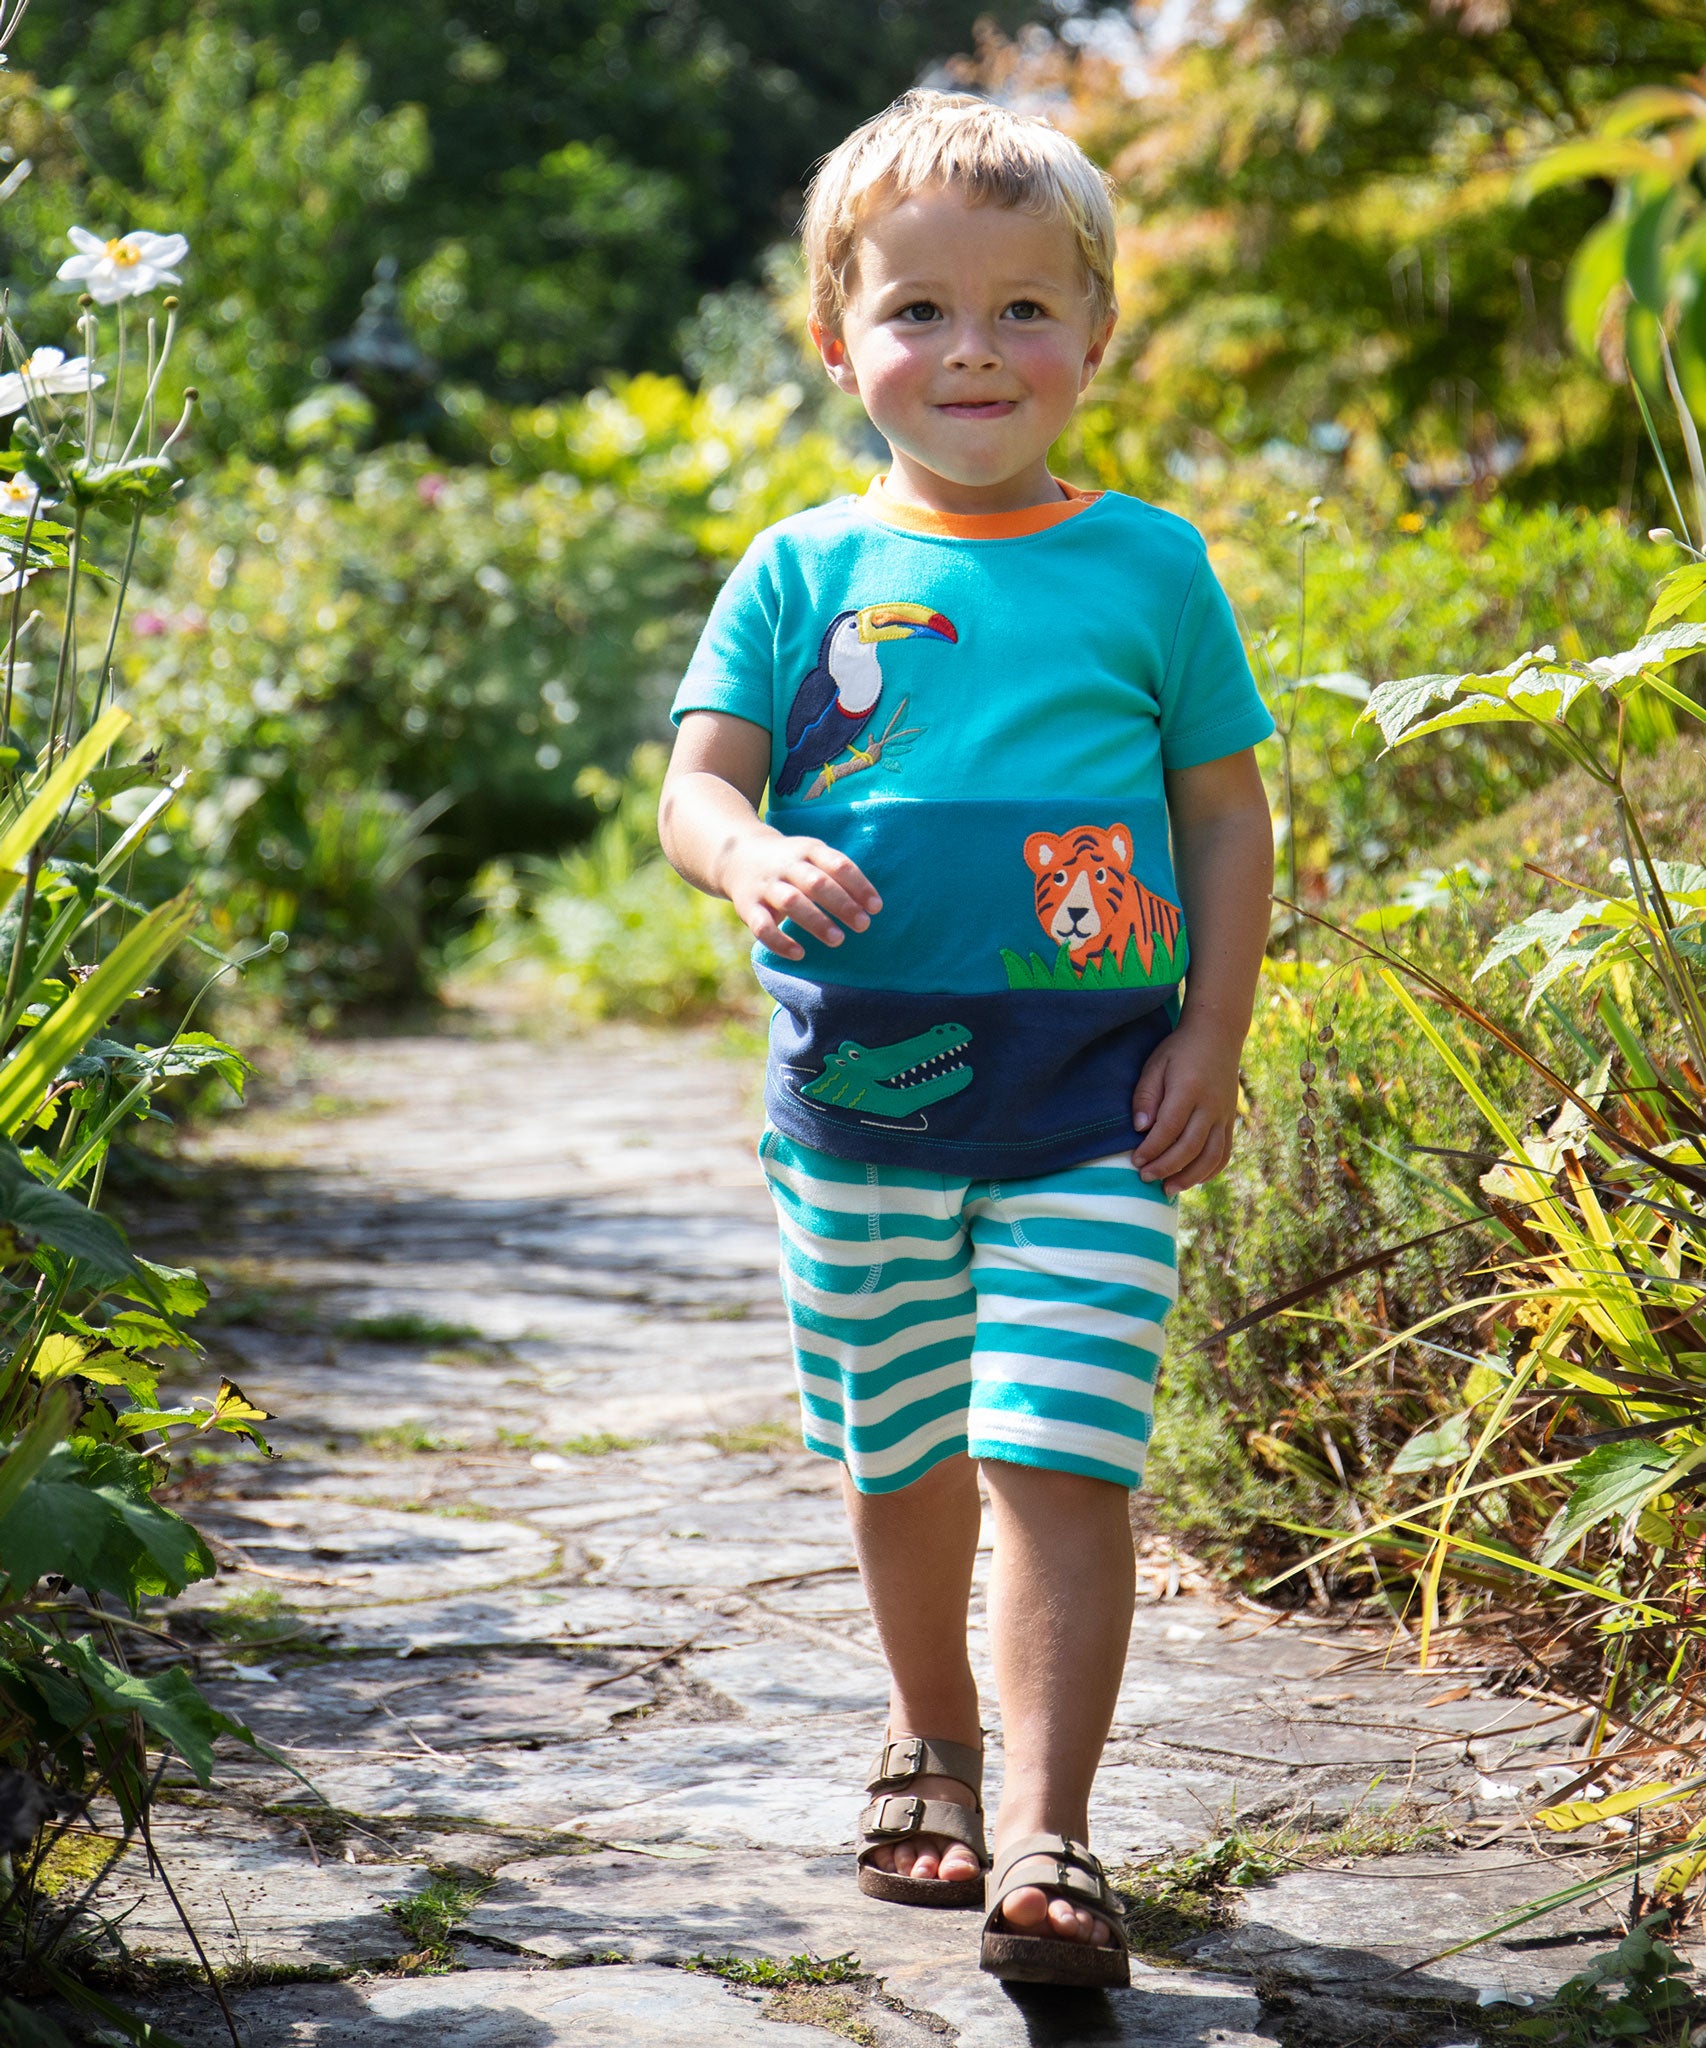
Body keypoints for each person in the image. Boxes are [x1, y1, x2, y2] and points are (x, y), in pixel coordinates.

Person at [658, 88, 1274, 1990]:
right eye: (919, 309)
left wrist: (1216, 1039)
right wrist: (750, 854)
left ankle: (1054, 1837)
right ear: (839, 339)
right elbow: (694, 787)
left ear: (1095, 336)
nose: (972, 350)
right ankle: (930, 1731)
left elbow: (1225, 820)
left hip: (1096, 1099)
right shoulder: (797, 568)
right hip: (855, 1105)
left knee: (1060, 1451)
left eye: (1023, 310)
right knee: (900, 1439)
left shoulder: (1150, 566)